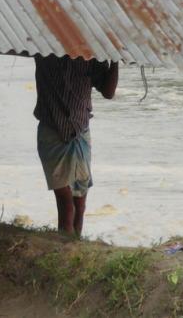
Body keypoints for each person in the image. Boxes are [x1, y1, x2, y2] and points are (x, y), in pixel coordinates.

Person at [33, 55, 118, 236]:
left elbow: (108, 92)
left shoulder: (90, 56)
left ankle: (74, 245)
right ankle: (67, 248)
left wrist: (115, 60)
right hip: (53, 133)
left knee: (79, 201)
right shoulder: (45, 52)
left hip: (80, 133)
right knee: (66, 202)